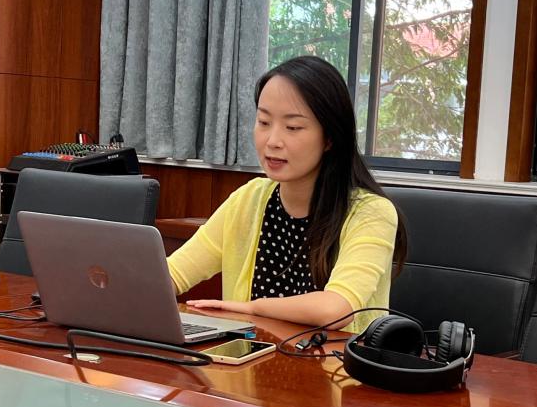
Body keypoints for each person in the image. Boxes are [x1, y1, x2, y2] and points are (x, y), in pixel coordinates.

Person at [167, 55, 407, 333]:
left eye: (292, 127)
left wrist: (252, 308)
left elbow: (336, 309)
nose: (272, 141)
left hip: (334, 360)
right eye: (263, 122)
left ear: (329, 138)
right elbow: (173, 274)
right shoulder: (248, 200)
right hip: (251, 358)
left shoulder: (371, 213)